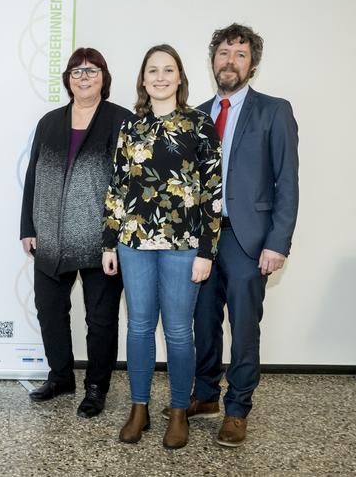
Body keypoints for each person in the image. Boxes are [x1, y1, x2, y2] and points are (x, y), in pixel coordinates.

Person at [174, 24, 299, 448]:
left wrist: (278, 242)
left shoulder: (274, 111)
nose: (230, 61)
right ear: (213, 61)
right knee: (202, 323)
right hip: (201, 240)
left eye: (240, 54)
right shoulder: (195, 114)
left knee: (244, 327)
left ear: (254, 64)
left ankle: (237, 409)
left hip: (249, 240)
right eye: (224, 53)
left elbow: (287, 181)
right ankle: (205, 395)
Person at [102, 44, 222, 449]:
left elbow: (212, 193)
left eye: (167, 70)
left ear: (179, 77)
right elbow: (117, 188)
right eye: (152, 70)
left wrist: (207, 250)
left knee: (176, 330)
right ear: (143, 79)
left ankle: (177, 411)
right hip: (133, 242)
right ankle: (139, 408)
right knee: (137, 327)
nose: (159, 77)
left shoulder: (200, 124)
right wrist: (109, 242)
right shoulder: (129, 127)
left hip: (184, 244)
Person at [20, 47, 130, 418]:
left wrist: (114, 239)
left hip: (101, 242)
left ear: (104, 78)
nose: (84, 77)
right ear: (68, 79)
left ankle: (96, 387)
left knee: (100, 320)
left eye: (92, 71)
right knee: (50, 311)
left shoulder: (121, 121)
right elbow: (33, 176)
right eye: (77, 71)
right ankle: (60, 376)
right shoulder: (49, 122)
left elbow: (128, 187)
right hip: (49, 235)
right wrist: (27, 227)